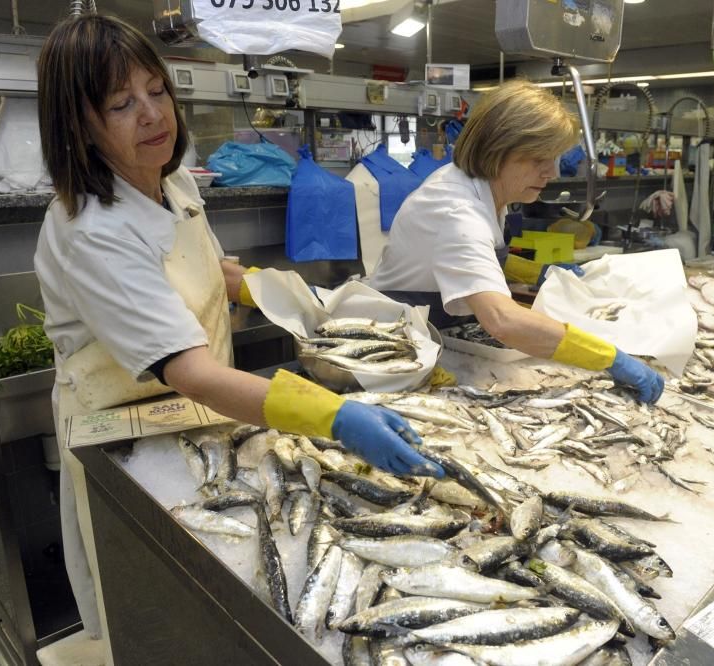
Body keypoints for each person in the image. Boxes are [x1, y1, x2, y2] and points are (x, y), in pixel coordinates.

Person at [33, 14, 441, 657]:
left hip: (201, 416)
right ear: (77, 124)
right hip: (127, 442)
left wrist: (269, 291)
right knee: (152, 607)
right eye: (120, 103)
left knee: (225, 585)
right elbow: (188, 369)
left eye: (156, 90)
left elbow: (205, 269)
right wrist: (335, 416)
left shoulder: (169, 182)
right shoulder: (93, 229)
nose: (150, 115)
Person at [367, 80, 664, 405]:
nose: (551, 172)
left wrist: (535, 271)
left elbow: (472, 257)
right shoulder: (457, 210)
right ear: (498, 151)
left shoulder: (488, 189)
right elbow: (503, 320)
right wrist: (608, 358)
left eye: (554, 158)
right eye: (539, 158)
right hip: (394, 347)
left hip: (440, 335)